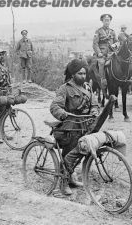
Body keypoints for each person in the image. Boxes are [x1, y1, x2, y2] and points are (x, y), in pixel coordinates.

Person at [50, 59, 99, 195]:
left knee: (81, 153)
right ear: (72, 74)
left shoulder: (88, 87)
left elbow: (94, 104)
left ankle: (71, 178)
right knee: (68, 156)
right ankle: (63, 183)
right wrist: (64, 114)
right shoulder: (64, 88)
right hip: (69, 128)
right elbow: (55, 106)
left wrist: (94, 111)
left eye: (84, 73)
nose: (83, 76)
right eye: (80, 74)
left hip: (84, 126)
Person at [92, 14, 119, 89]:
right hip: (102, 53)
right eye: (105, 20)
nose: (107, 22)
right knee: (101, 62)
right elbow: (95, 44)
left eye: (108, 20)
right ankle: (102, 80)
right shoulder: (98, 31)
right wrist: (99, 52)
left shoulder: (112, 31)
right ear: (102, 21)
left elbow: (117, 41)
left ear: (110, 21)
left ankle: (123, 78)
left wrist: (115, 45)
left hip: (111, 52)